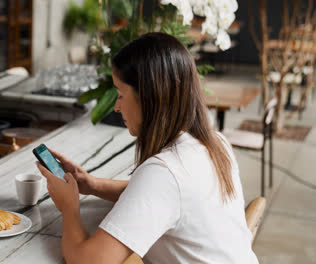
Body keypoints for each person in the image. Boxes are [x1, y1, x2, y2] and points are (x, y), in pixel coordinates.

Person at [36, 32, 259, 264]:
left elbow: (89, 261)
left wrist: (68, 207)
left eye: (121, 94)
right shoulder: (215, 143)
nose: (116, 106)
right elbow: (159, 199)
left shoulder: (164, 172)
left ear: (151, 98)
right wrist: (92, 184)